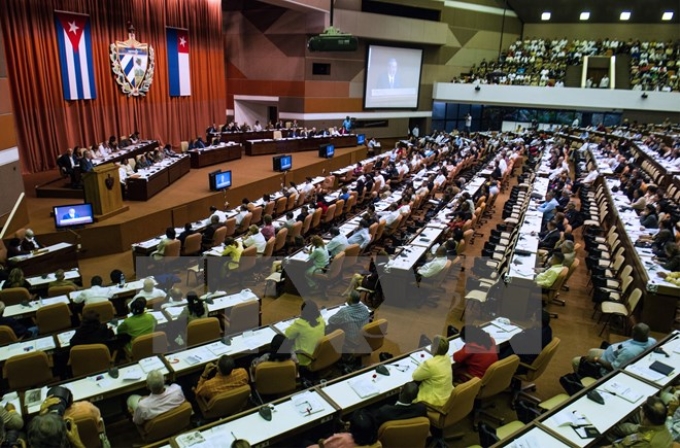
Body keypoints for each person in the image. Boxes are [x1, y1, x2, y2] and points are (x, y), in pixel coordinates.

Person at [571, 323, 656, 376]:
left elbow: (613, 368)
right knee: (591, 351)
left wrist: (596, 359)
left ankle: (581, 378)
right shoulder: (652, 341)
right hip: (612, 354)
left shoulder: (629, 353)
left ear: (634, 334)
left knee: (576, 361)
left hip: (605, 367)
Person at [608, 396, 672, 448]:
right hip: (643, 431)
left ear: (645, 418)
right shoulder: (661, 425)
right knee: (623, 427)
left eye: (641, 409)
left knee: (609, 433)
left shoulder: (645, 442)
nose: (640, 411)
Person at [412, 335, 453, 407]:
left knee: (409, 393)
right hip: (447, 396)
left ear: (434, 348)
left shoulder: (429, 364)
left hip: (434, 401)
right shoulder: (447, 357)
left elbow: (415, 376)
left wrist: (421, 366)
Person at [308, 409, 380, 448]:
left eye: (350, 424)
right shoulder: (376, 443)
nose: (347, 423)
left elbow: (324, 445)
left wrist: (320, 441)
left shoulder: (341, 439)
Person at [285, 301, 325, 367]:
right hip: (318, 353)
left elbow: (287, 335)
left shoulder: (300, 324)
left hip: (304, 357)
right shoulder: (321, 320)